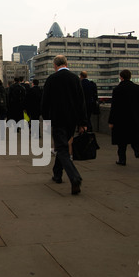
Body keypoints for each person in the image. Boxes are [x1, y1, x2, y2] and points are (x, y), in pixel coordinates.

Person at [42, 55, 88, 195]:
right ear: (66, 63)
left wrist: (46, 118)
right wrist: (82, 123)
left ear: (55, 66)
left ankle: (75, 177)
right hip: (71, 120)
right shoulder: (75, 79)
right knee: (62, 146)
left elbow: (45, 102)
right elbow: (81, 102)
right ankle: (57, 174)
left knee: (61, 149)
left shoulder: (51, 79)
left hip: (57, 119)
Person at [108, 69, 139, 170]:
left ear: (121, 77)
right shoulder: (138, 89)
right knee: (135, 140)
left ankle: (122, 160)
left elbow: (114, 107)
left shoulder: (117, 90)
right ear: (130, 77)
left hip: (121, 120)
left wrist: (111, 121)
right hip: (135, 119)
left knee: (121, 142)